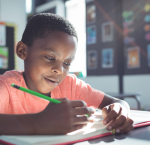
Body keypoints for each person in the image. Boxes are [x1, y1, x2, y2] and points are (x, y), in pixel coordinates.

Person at [0, 13, 133, 135]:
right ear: (22, 51)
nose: (59, 70)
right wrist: (38, 123)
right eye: (50, 58)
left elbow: (117, 102)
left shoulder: (70, 85)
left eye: (67, 63)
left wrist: (121, 110)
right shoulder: (7, 86)